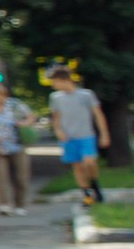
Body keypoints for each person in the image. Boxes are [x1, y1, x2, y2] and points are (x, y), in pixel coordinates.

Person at [46, 66, 112, 209]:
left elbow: (98, 115)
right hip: (68, 137)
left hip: (86, 135)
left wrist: (104, 134)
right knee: (77, 166)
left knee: (89, 162)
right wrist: (58, 130)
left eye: (54, 82)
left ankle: (94, 183)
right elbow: (56, 117)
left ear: (63, 79)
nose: (53, 85)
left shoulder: (86, 95)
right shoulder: (56, 98)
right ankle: (86, 194)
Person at [0, 81, 35, 216]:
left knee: (21, 176)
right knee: (0, 176)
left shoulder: (15, 105)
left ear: (4, 95)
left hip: (17, 145)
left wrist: (24, 123)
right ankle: (4, 204)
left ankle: (20, 204)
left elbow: (31, 117)